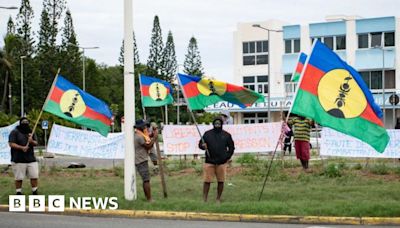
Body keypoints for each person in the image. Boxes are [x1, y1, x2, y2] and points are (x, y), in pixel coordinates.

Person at [198, 117, 235, 203]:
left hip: (221, 162)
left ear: (222, 124)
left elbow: (231, 148)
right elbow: (200, 144)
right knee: (207, 181)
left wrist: (227, 157)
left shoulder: (227, 135)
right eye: (216, 124)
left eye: (219, 124)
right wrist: (203, 146)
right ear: (213, 124)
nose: (217, 125)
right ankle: (204, 199)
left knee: (221, 181)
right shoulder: (207, 134)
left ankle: (218, 198)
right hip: (209, 162)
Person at [8, 117, 39, 195]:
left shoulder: (31, 132)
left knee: (34, 176)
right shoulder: (14, 132)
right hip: (18, 159)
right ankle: (18, 192)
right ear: (20, 123)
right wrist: (22, 148)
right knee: (19, 178)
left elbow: (36, 143)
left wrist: (31, 141)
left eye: (26, 122)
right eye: (23, 122)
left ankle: (34, 191)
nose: (25, 124)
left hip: (31, 159)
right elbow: (11, 143)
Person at [134, 119, 158, 202]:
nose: (145, 127)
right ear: (140, 127)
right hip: (140, 160)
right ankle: (149, 199)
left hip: (142, 159)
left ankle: (148, 198)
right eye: (144, 126)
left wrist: (153, 136)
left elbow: (148, 138)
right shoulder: (139, 136)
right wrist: (155, 137)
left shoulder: (141, 134)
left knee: (146, 179)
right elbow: (148, 146)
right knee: (146, 180)